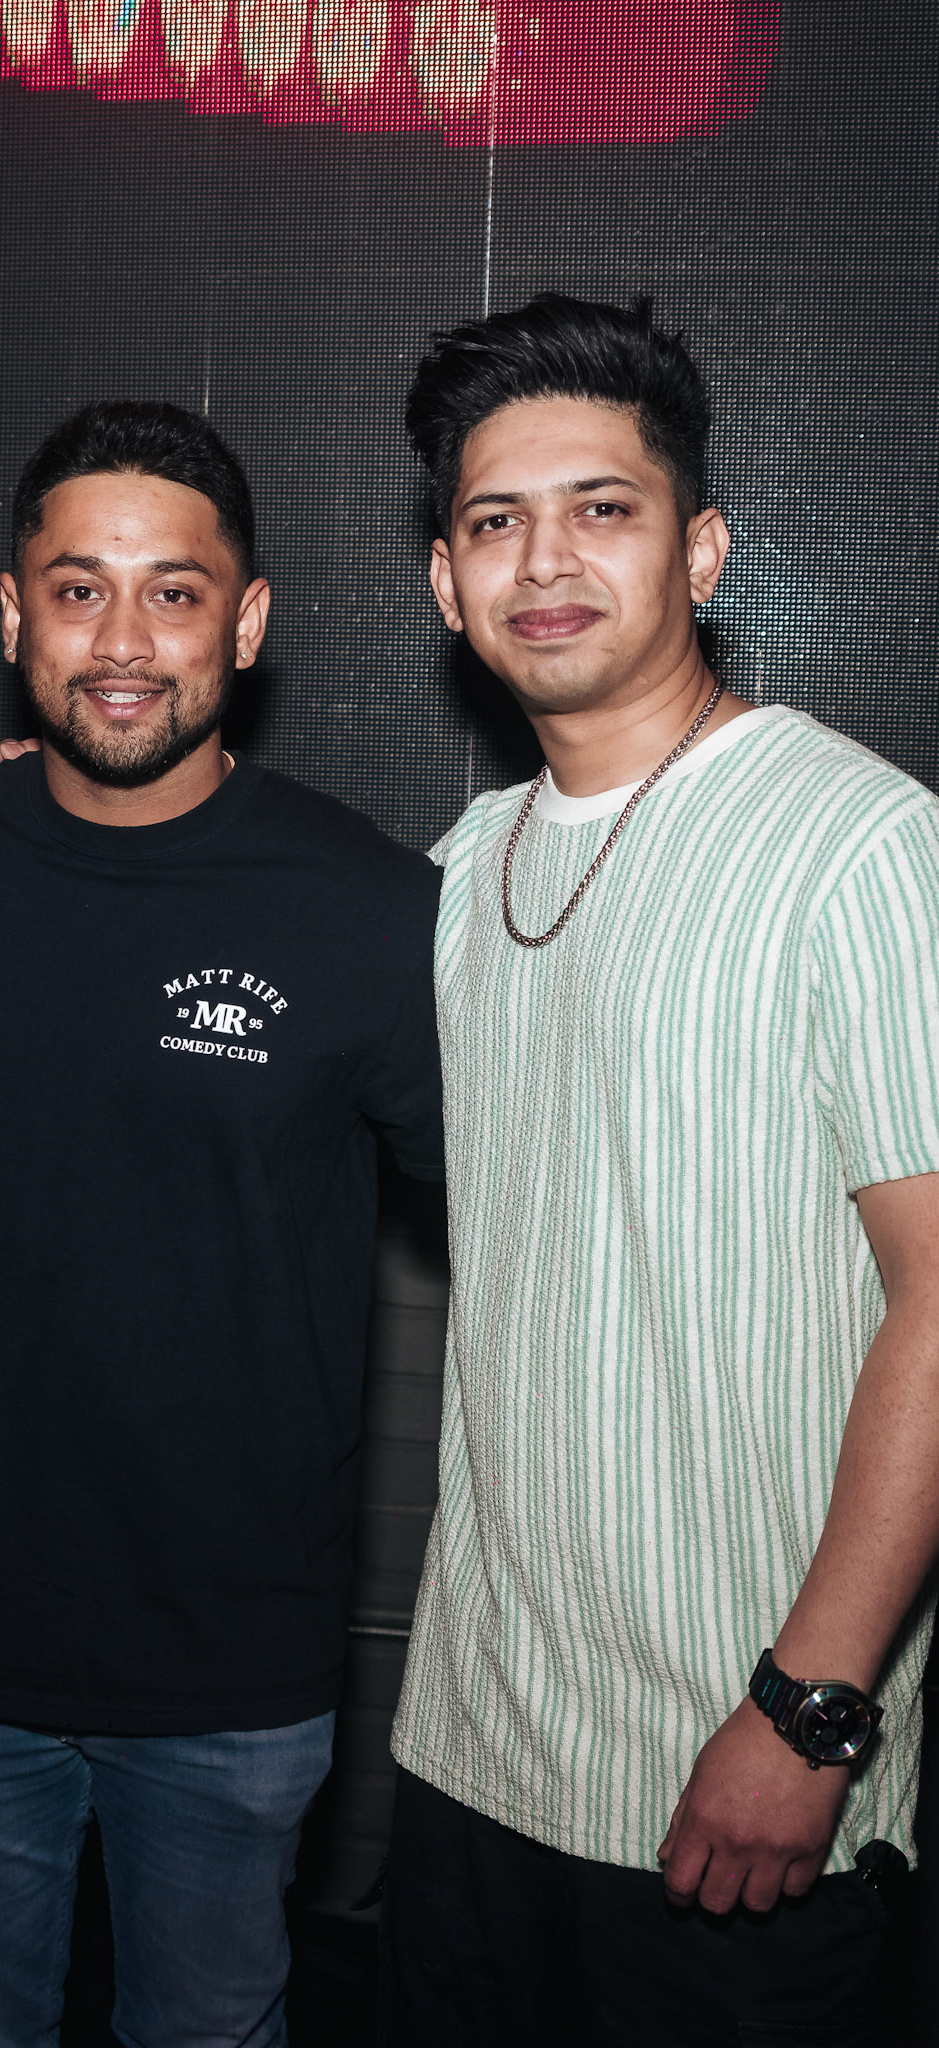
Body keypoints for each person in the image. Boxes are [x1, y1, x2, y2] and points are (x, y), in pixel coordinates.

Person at [0, 399, 445, 2048]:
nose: (120, 641)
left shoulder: (372, 910)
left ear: (244, 623)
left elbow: (532, 1216)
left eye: (172, 593)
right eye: (76, 589)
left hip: (230, 1667)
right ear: (11, 614)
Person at [374, 295, 939, 2042]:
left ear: (697, 552)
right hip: (472, 1754)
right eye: (494, 521)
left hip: (738, 1773)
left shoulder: (862, 842)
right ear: (445, 584)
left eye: (601, 509)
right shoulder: (458, 867)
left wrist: (807, 1715)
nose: (544, 560)